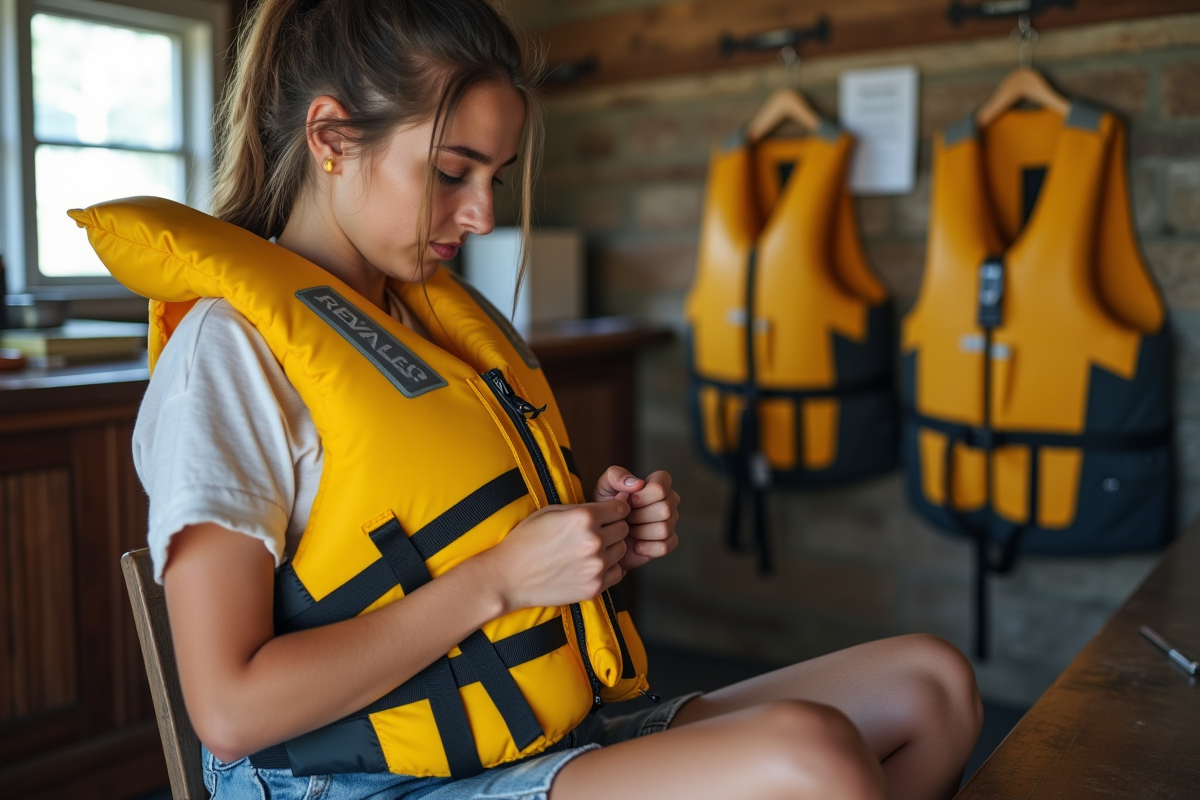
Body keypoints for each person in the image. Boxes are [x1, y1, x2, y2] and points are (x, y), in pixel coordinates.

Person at [133, 1, 983, 798]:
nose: (482, 215)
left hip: (537, 738)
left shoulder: (429, 322)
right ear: (330, 138)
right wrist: (502, 579)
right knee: (812, 758)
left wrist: (594, 534)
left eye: (494, 178)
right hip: (367, 781)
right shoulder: (229, 351)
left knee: (932, 686)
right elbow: (231, 712)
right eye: (452, 172)